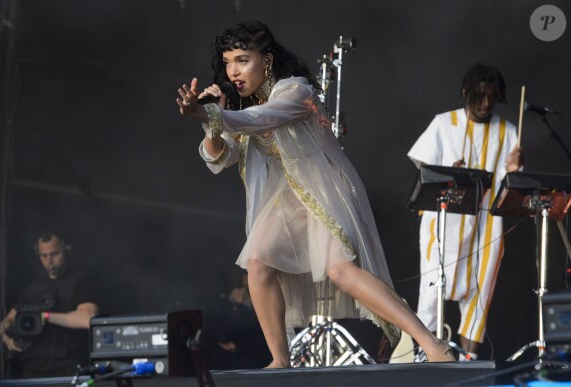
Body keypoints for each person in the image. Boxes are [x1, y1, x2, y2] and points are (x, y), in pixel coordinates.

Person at [176, 20, 454, 368]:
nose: (233, 70)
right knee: (258, 266)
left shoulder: (296, 91)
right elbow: (220, 156)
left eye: (242, 60)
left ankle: (432, 343)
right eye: (228, 61)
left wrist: (213, 113)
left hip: (320, 195)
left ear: (267, 59)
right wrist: (209, 119)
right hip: (283, 204)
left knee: (341, 271)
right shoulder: (239, 109)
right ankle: (280, 360)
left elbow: (261, 119)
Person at [407, 63, 524, 360]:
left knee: (479, 294)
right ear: (465, 92)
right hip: (444, 222)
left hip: (486, 226)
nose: (486, 104)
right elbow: (423, 168)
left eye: (492, 97)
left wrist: (512, 170)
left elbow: (510, 185)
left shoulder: (508, 132)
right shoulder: (444, 124)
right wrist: (445, 173)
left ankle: (468, 364)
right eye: (480, 96)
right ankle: (423, 358)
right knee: (432, 292)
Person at [0, 231, 99, 377]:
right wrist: (7, 339)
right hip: (32, 368)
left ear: (66, 249)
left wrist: (45, 316)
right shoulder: (32, 288)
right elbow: (5, 322)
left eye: (54, 254)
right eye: (43, 256)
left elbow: (88, 318)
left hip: (69, 366)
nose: (49, 260)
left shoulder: (81, 283)